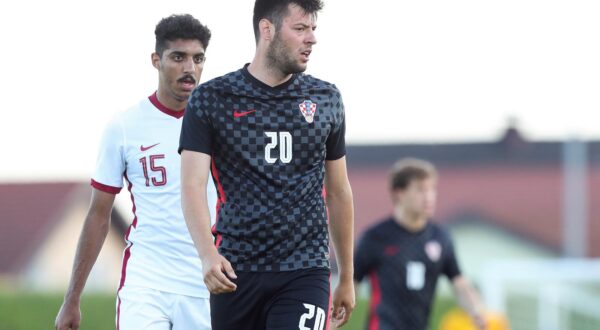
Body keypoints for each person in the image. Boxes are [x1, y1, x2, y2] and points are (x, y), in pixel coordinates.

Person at [178, 0, 355, 329]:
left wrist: (346, 274)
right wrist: (207, 254)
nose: (311, 39)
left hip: (306, 268)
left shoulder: (326, 99)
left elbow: (339, 191)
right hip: (235, 271)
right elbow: (191, 185)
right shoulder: (211, 100)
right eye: (300, 28)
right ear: (267, 29)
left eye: (313, 29)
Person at [55, 14, 216, 330]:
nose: (190, 68)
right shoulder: (124, 126)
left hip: (205, 285)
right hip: (146, 284)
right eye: (178, 57)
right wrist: (71, 299)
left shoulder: (220, 125)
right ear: (156, 60)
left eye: (198, 59)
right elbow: (99, 215)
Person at [354, 158, 487, 330]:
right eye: (421, 190)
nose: (429, 197)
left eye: (432, 190)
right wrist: (333, 320)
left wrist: (475, 310)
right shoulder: (375, 237)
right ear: (399, 193)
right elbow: (351, 284)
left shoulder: (440, 237)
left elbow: (459, 282)